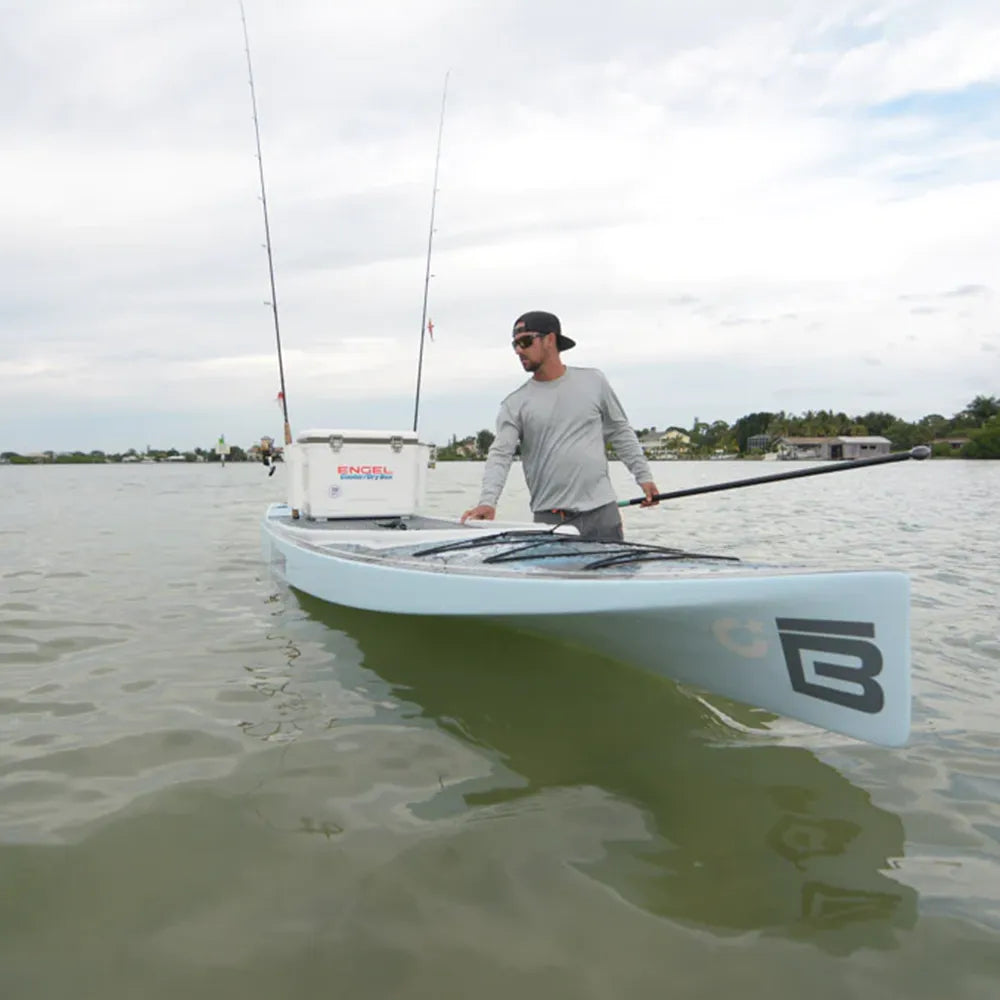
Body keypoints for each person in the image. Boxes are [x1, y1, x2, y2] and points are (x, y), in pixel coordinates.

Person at [460, 310, 659, 541]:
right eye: (514, 344)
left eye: (525, 341)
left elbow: (620, 431)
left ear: (550, 340)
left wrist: (644, 477)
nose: (518, 350)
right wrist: (487, 502)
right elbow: (500, 455)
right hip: (551, 523)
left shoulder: (594, 381)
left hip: (604, 516)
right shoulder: (514, 404)